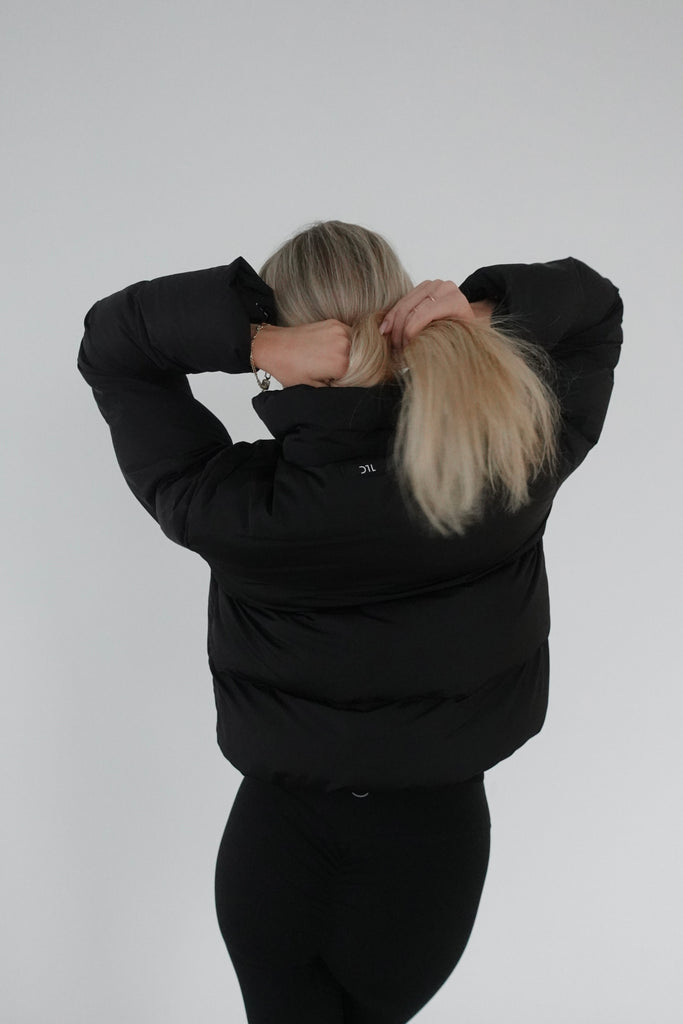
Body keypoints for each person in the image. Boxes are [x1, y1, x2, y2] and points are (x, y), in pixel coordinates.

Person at [76, 219, 624, 1023]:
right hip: (430, 853)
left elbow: (114, 345)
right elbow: (594, 310)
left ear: (290, 333)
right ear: (397, 310)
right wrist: (478, 311)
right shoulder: (510, 466)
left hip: (276, 847)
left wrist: (252, 343)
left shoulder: (228, 504)